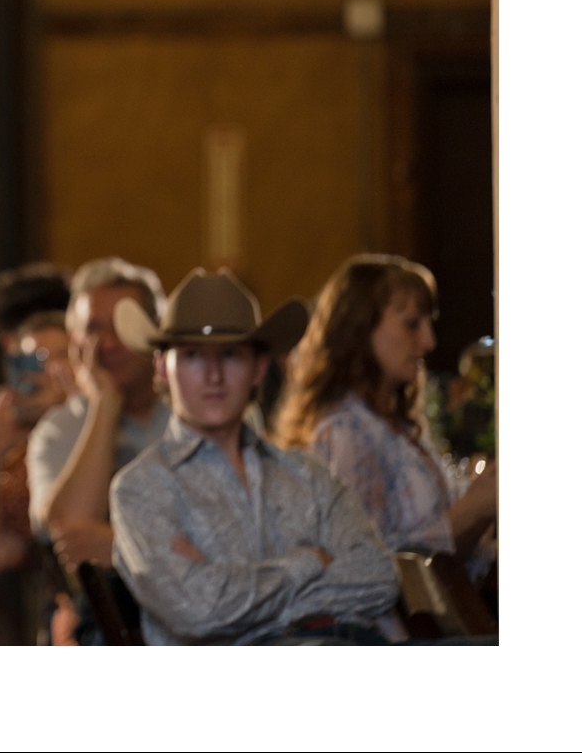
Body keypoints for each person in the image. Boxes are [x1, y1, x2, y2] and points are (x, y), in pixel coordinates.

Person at [110, 269, 397, 644]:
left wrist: (244, 609)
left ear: (259, 367)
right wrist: (309, 561)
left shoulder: (308, 475)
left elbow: (380, 575)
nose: (214, 375)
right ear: (162, 367)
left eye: (230, 355)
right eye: (193, 355)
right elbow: (195, 611)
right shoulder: (141, 487)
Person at [274, 254, 497, 574]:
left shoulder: (396, 425)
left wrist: (481, 501)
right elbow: (366, 564)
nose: (429, 341)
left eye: (428, 324)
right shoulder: (345, 432)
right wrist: (470, 511)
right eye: (411, 323)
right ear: (360, 328)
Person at [28, 257, 172, 576]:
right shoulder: (58, 429)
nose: (107, 344)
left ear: (156, 329)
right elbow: (69, 536)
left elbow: (229, 537)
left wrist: (122, 546)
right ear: (74, 340)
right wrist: (104, 405)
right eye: (93, 329)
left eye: (122, 326)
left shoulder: (199, 415)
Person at [0, 310, 72, 575]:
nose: (47, 372)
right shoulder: (17, 457)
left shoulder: (104, 436)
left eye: (62, 356)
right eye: (33, 360)